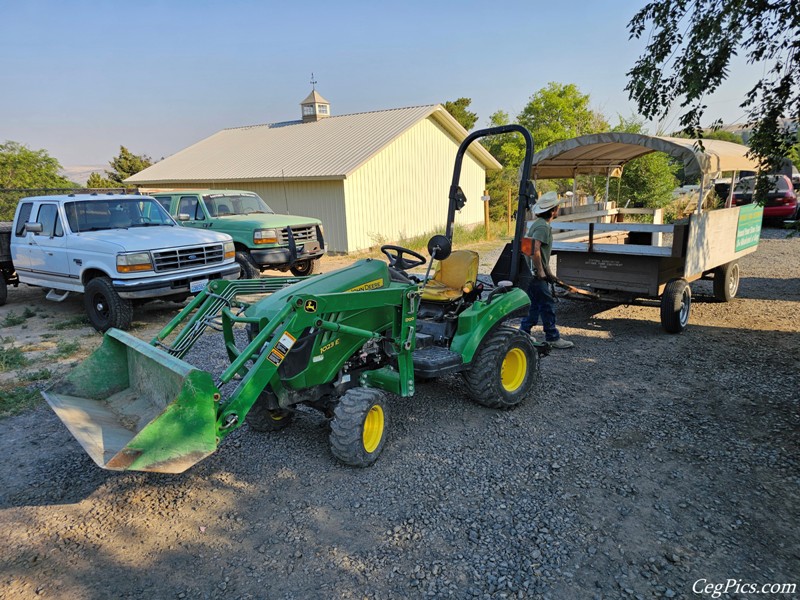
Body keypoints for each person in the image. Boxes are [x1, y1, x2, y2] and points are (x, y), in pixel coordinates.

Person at [520, 191, 574, 349]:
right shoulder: (543, 227)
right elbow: (535, 250)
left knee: (534, 305)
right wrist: (541, 272)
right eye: (557, 208)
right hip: (535, 275)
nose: (558, 210)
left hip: (532, 273)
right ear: (553, 211)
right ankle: (552, 336)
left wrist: (549, 273)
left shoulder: (538, 224)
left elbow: (542, 254)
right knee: (547, 304)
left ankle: (524, 332)